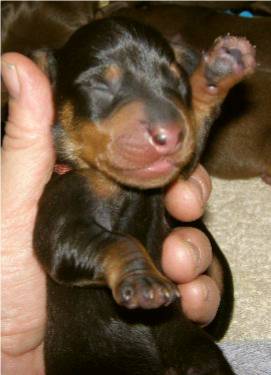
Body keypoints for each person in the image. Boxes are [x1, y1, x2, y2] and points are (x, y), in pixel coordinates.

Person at [2, 53, 221, 375]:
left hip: (170, 331)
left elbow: (183, 157)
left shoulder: (145, 170)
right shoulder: (66, 184)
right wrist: (128, 264)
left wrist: (207, 95)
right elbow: (64, 249)